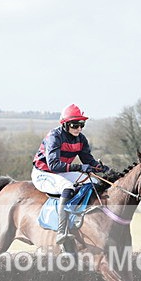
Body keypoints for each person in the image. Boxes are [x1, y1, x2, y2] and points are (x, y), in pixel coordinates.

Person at [31, 104, 109, 246]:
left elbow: (88, 160)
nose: (79, 128)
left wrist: (101, 168)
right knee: (67, 187)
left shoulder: (81, 138)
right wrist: (79, 167)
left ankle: (81, 217)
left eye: (82, 125)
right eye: (75, 125)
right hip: (43, 172)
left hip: (62, 171)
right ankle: (62, 231)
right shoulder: (54, 137)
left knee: (94, 181)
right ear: (65, 124)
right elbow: (53, 165)